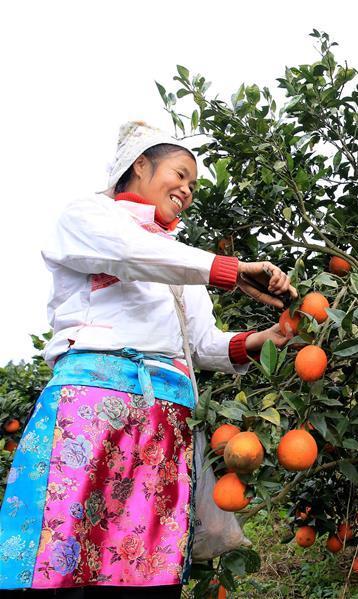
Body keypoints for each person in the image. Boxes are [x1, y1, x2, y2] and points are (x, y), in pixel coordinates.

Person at [0, 121, 297, 597]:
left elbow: (201, 346)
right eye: (179, 174)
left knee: (144, 566)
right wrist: (229, 270)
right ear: (139, 165)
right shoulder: (89, 216)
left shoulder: (180, 260)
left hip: (167, 419)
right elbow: (128, 253)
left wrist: (267, 338)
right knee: (61, 552)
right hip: (95, 406)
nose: (186, 190)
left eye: (194, 185)